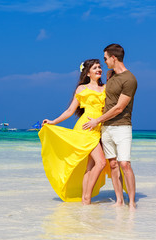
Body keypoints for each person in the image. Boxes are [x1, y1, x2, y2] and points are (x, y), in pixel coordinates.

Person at [39, 59, 112, 205]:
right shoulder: (81, 89)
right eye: (95, 68)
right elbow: (70, 111)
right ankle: (87, 197)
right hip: (85, 129)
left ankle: (86, 199)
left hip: (98, 129)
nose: (99, 70)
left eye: (100, 67)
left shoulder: (105, 87)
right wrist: (53, 121)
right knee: (101, 162)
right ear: (88, 73)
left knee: (90, 166)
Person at [83, 44, 138, 210]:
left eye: (106, 58)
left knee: (124, 164)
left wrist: (96, 120)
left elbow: (119, 107)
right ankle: (119, 200)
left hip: (122, 126)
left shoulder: (130, 79)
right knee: (113, 164)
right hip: (106, 128)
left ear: (114, 58)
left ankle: (132, 202)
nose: (105, 62)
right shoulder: (110, 74)